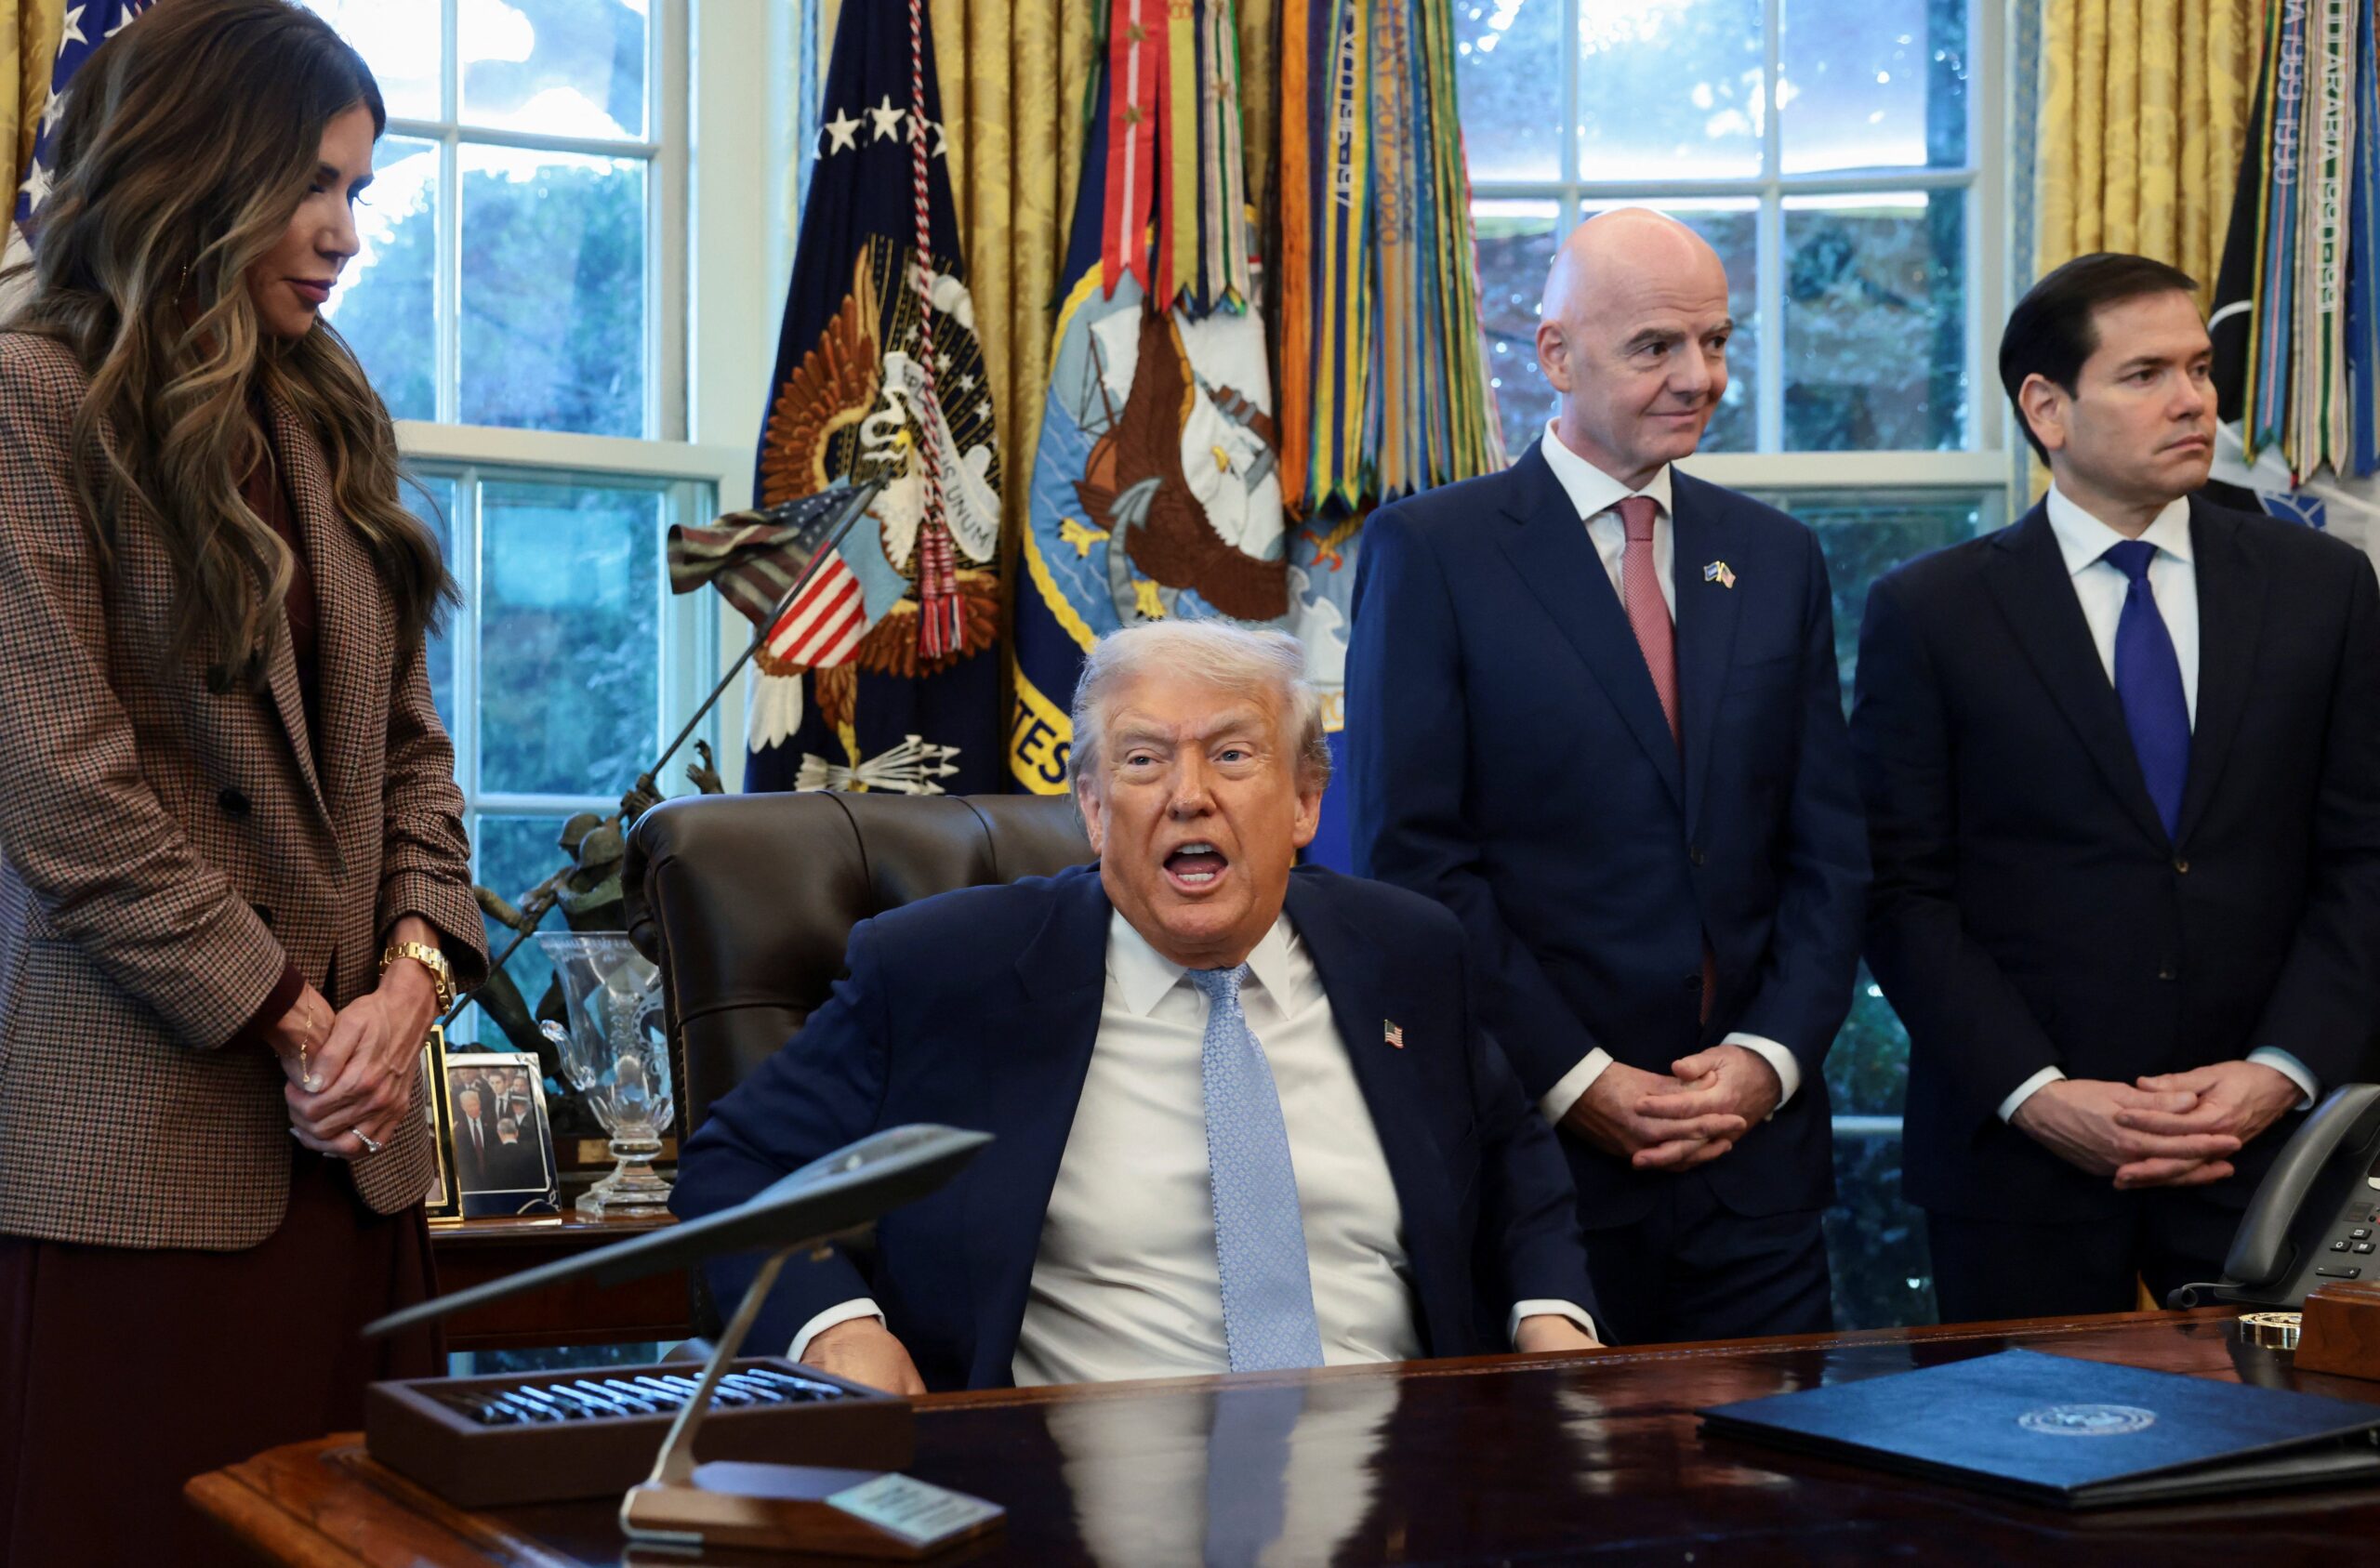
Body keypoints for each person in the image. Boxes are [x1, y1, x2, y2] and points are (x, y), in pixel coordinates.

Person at [0, 6, 485, 1561]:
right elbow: (66, 791)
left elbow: (414, 751)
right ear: (196, 171)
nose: (347, 233)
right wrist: (299, 1021)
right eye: (316, 186)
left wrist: (407, 988)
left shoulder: (330, 406)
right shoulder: (30, 400)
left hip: (356, 1168)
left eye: (359, 188)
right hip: (138, 1165)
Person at [673, 619, 1603, 1392]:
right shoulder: (949, 969)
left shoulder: (1407, 951)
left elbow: (1511, 1153)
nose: (1188, 796)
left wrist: (1550, 1315)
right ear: (1091, 805)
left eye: (1232, 754)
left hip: (1398, 1485)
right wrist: (837, 1329)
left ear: (1306, 802)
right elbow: (739, 1164)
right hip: (1074, 1493)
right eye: (1144, 759)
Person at [1345, 208, 1868, 1346]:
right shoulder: (1431, 552)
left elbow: (1828, 851)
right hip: (1538, 1168)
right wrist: (1577, 1079)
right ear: (1553, 357)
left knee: (1773, 1507)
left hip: (1754, 1170)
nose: (1700, 376)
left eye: (1717, 341)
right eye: (1656, 348)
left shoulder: (1776, 557)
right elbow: (1411, 862)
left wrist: (1767, 1060)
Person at [1852, 252, 2380, 1321]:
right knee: (2008, 1477)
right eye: (2144, 375)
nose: (2191, 399)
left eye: (2197, 368)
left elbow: (2365, 857)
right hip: (2020, 1168)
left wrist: (2278, 1068)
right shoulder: (1932, 611)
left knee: (2297, 1480)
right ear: (2046, 407)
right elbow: (1901, 890)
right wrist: (2038, 1097)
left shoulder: (2323, 585)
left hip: (2284, 1151)